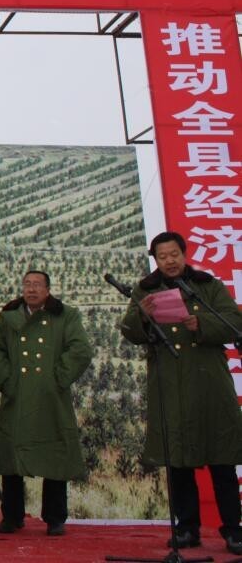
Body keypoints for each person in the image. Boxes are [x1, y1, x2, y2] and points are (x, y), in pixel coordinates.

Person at [120, 231, 242, 554]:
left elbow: (233, 324)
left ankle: (233, 530)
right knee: (178, 462)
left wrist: (199, 323)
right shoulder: (144, 290)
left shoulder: (207, 285)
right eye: (163, 256)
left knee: (221, 459)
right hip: (169, 383)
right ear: (155, 260)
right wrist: (141, 316)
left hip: (209, 385)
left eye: (174, 254)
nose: (170, 261)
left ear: (184, 254)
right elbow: (130, 331)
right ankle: (187, 529)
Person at [0, 270, 92, 536]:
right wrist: (7, 381)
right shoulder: (8, 317)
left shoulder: (65, 315)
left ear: (48, 289)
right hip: (18, 394)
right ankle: (12, 516)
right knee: (13, 457)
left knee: (55, 455)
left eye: (37, 285)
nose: (31, 289)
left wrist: (57, 377)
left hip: (51, 396)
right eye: (27, 284)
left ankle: (55, 518)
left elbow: (80, 349)